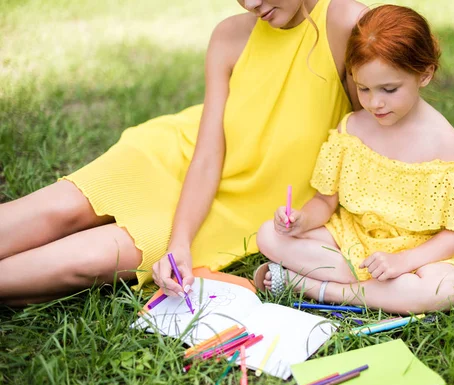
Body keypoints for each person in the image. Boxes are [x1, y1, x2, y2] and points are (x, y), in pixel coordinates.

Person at [0, 0, 367, 306]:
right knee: (57, 210)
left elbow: (379, 134)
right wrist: (179, 242)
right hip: (177, 156)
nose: (251, 3)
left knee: (86, 261)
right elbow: (208, 151)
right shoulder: (230, 35)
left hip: (241, 207)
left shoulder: (347, 25)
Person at [255, 4, 454, 315]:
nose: (374, 103)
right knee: (268, 235)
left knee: (445, 288)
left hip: (418, 255)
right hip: (355, 242)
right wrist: (301, 220)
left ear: (425, 74)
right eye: (363, 88)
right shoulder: (352, 129)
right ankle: (382, 292)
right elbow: (325, 201)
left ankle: (319, 288)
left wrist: (403, 261)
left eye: (389, 89)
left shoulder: (443, 143)